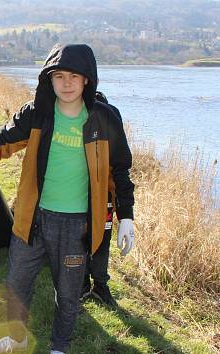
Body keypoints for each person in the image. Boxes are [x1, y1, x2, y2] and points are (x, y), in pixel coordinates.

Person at [0, 43, 135, 354]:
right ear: (48, 78)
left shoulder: (104, 119)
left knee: (68, 294)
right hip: (32, 219)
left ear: (87, 79)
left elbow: (120, 172)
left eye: (74, 76)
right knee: (16, 284)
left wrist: (126, 217)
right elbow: (3, 138)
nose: (66, 83)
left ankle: (58, 348)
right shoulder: (37, 113)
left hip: (78, 226)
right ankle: (17, 338)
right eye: (59, 75)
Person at [81, 90, 123, 306]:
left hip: (104, 197)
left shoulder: (112, 123)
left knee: (103, 240)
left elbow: (119, 169)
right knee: (78, 239)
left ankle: (99, 285)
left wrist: (119, 205)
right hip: (77, 193)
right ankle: (81, 284)